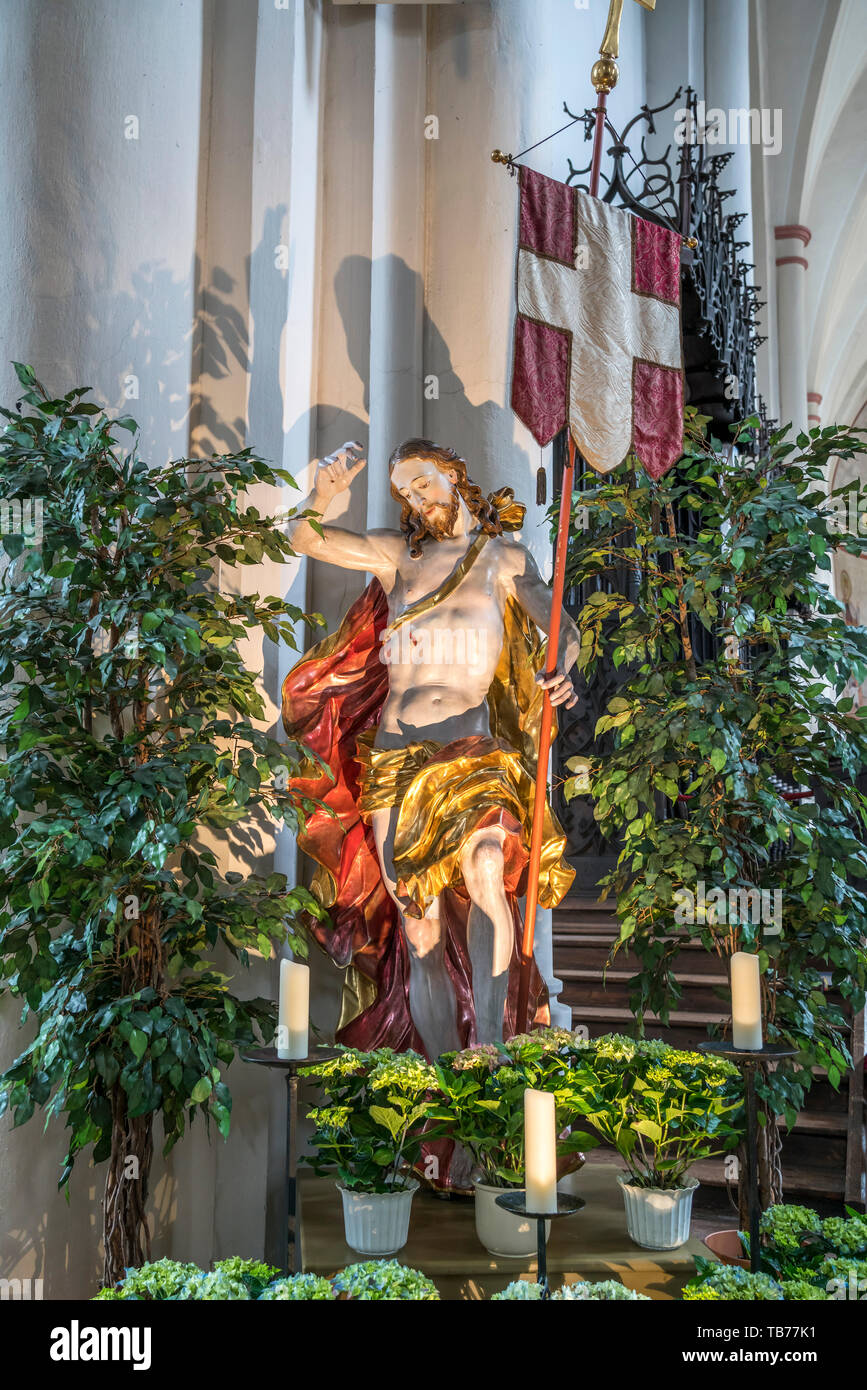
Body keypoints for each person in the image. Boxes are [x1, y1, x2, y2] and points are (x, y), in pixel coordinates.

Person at [280, 438, 579, 1062]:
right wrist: (323, 496)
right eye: (405, 492)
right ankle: (449, 1080)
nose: (415, 499)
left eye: (423, 483)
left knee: (488, 866)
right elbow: (305, 541)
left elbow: (559, 625)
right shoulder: (397, 556)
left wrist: (564, 665)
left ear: (453, 473)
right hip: (394, 755)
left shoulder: (502, 558)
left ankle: (492, 1050)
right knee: (418, 923)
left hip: (470, 747)